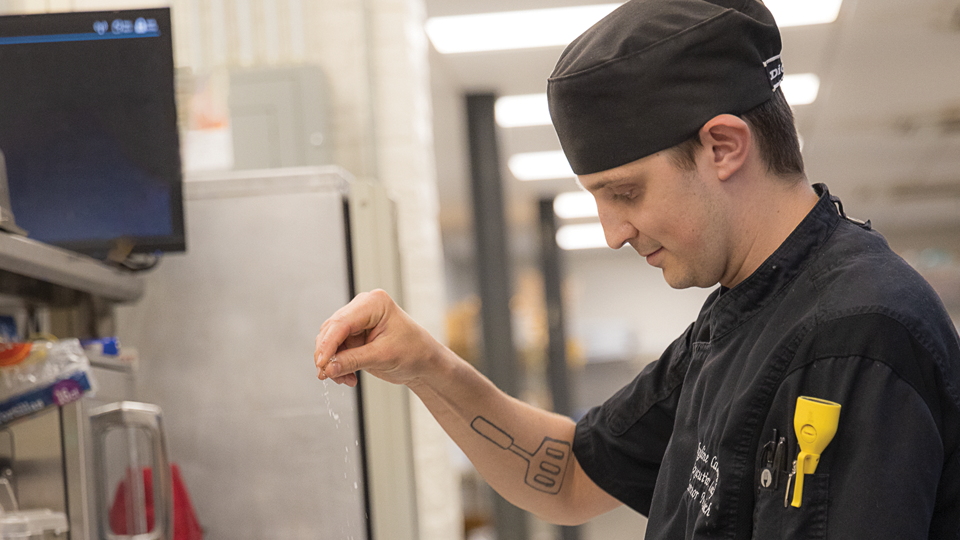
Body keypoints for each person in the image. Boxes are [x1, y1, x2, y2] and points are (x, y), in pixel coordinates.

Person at [315, 0, 960, 537]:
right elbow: (568, 476)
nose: (613, 232)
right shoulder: (742, 315)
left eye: (624, 194)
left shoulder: (853, 338)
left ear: (724, 146)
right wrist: (426, 364)